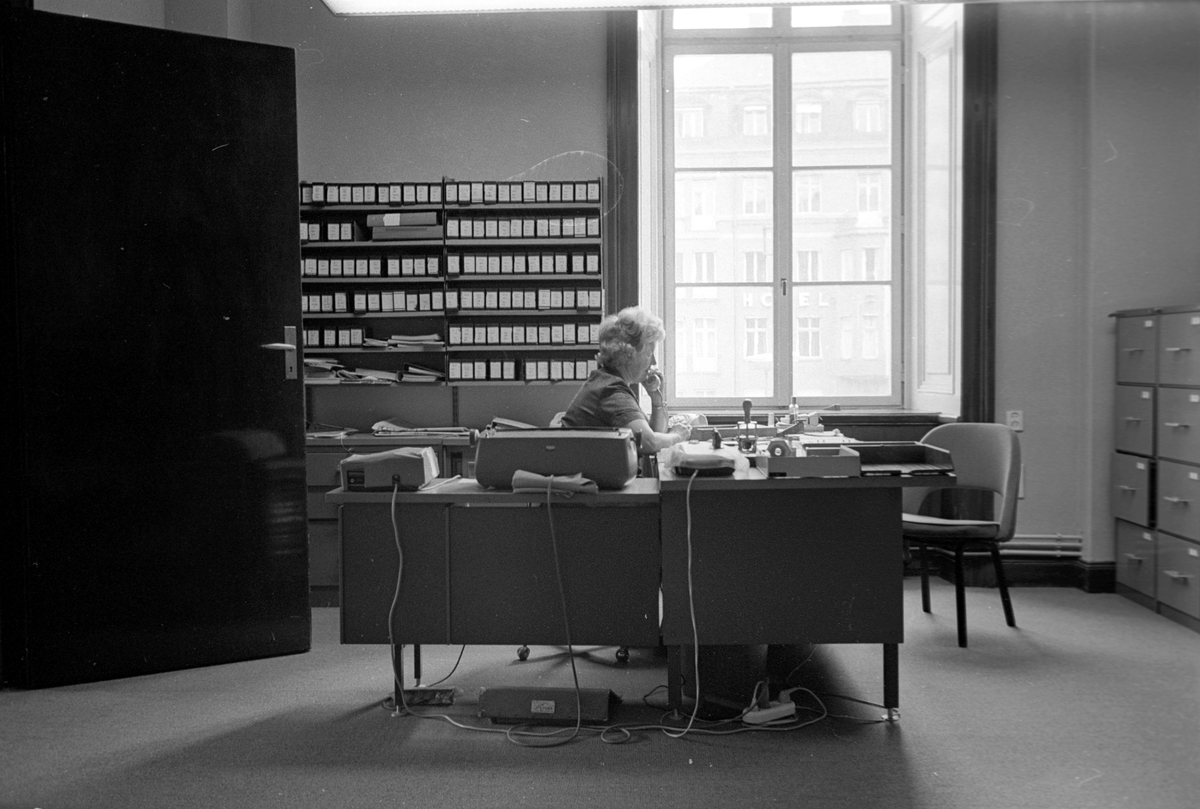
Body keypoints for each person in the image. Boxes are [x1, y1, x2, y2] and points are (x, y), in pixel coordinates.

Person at [560, 306, 691, 454]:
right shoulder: (611, 391)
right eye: (649, 354)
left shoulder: (607, 381)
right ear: (628, 354)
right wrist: (678, 435)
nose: (653, 362)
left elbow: (653, 432)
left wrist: (657, 400)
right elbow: (648, 443)